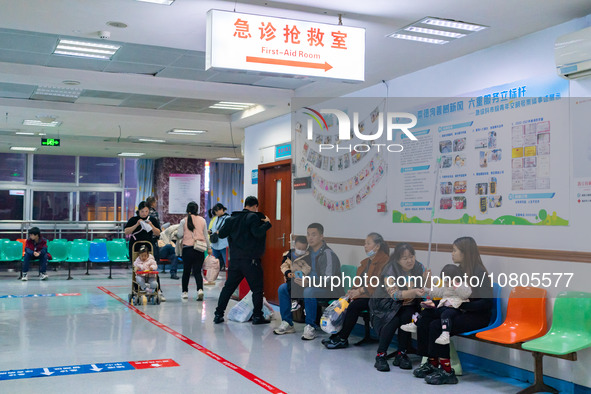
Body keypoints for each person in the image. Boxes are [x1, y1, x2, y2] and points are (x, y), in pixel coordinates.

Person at [413, 236, 492, 385]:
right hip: (458, 311)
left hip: (476, 315)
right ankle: (431, 362)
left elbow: (487, 304)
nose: (452, 253)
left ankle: (447, 372)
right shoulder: (458, 270)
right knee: (425, 318)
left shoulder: (479, 273)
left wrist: (460, 306)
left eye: (454, 250)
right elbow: (448, 292)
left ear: (465, 252)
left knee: (436, 326)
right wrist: (437, 303)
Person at [274, 223, 343, 340]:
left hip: (329, 288)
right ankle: (288, 323)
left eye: (314, 235)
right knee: (283, 288)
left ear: (321, 236)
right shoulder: (306, 251)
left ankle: (311, 326)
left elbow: (329, 280)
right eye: (308, 234)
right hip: (308, 284)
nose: (310, 237)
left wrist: (309, 281)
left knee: (309, 291)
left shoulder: (327, 254)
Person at [322, 233, 390, 349]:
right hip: (365, 295)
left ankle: (343, 339)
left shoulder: (386, 262)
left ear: (377, 246)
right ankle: (336, 335)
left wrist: (360, 291)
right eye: (365, 243)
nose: (365, 246)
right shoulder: (366, 262)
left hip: (378, 298)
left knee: (354, 306)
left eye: (368, 243)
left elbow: (379, 284)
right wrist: (352, 291)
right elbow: (358, 282)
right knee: (343, 303)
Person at [213, 196, 272, 325]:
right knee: (257, 289)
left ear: (245, 205)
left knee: (228, 288)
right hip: (250, 260)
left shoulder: (231, 218)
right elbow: (257, 233)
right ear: (255, 206)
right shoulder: (253, 217)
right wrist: (267, 223)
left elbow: (221, 234)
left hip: (234, 260)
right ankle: (257, 316)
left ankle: (218, 314)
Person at [369, 243, 427, 372]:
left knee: (407, 316)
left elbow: (425, 288)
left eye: (411, 256)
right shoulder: (389, 270)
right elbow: (395, 295)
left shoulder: (419, 267)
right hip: (386, 305)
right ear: (397, 259)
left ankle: (402, 354)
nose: (409, 260)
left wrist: (426, 282)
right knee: (393, 319)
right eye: (404, 258)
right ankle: (380, 356)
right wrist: (414, 292)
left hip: (408, 305)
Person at [400, 264, 471, 345]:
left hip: (455, 308)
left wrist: (456, 285)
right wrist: (426, 290)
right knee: (427, 309)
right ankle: (415, 324)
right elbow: (437, 292)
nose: (445, 282)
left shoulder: (462, 285)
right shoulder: (446, 287)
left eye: (447, 280)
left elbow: (465, 294)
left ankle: (445, 334)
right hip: (444, 306)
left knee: (446, 314)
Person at [124, 201, 163, 300]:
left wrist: (151, 225)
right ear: (139, 211)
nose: (144, 213)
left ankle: (157, 290)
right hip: (135, 247)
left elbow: (158, 233)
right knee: (137, 268)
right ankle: (137, 289)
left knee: (151, 267)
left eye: (146, 211)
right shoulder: (134, 219)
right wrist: (137, 224)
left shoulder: (152, 219)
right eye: (142, 211)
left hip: (148, 247)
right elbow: (126, 231)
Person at [177, 201, 211, 301]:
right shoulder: (203, 220)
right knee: (197, 271)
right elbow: (206, 235)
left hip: (187, 250)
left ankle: (185, 293)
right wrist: (209, 248)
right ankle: (200, 290)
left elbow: (179, 235)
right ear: (197, 210)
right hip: (199, 249)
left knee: (186, 272)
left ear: (187, 210)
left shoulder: (183, 221)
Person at [208, 203, 230, 271]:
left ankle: (229, 277)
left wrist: (220, 232)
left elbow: (228, 230)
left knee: (227, 263)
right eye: (215, 211)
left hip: (224, 244)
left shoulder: (228, 218)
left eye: (217, 211)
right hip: (215, 243)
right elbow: (214, 228)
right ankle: (213, 277)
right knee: (214, 263)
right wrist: (210, 231)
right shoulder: (216, 218)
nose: (216, 213)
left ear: (222, 209)